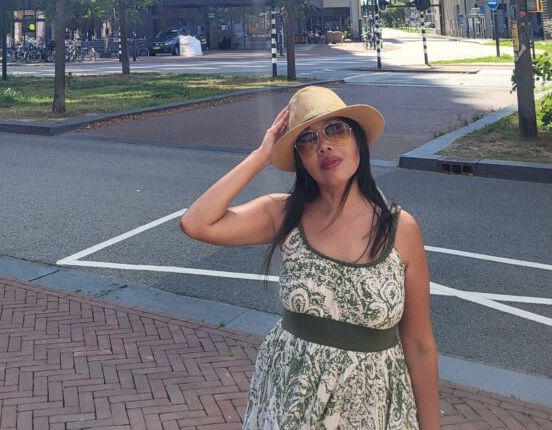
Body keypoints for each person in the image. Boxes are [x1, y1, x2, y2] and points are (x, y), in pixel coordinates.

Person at [180, 85, 439, 430]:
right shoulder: (284, 215)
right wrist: (262, 154)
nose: (324, 145)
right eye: (307, 139)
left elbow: (419, 344)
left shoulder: (399, 228)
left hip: (374, 408)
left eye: (336, 129)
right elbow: (196, 223)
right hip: (292, 401)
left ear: (357, 139)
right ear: (300, 159)